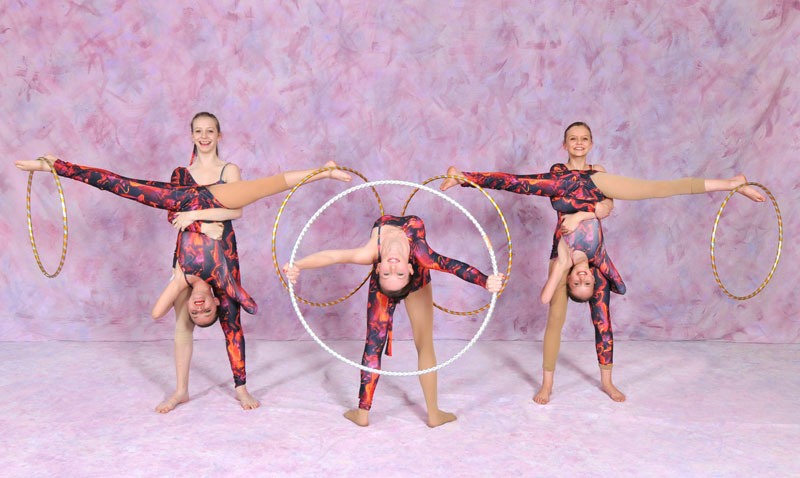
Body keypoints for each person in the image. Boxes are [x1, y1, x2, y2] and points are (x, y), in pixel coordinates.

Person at [440, 123, 765, 403]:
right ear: (565, 145)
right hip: (568, 253)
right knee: (555, 319)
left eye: (584, 138)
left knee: (656, 192)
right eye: (573, 138)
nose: (578, 142)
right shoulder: (556, 178)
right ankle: (547, 383)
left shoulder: (599, 176)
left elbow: (611, 206)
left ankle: (731, 183)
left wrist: (583, 212)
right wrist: (464, 178)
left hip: (594, 247)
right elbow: (512, 181)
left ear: (591, 144)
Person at [15, 153, 351, 405]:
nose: (200, 307)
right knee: (269, 186)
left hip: (182, 199)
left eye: (195, 311)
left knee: (122, 185)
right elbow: (240, 316)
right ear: (216, 302)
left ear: (191, 304)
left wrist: (188, 243)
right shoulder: (225, 282)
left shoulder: (182, 278)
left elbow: (156, 312)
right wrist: (202, 223)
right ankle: (325, 171)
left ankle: (53, 165)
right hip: (217, 199)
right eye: (207, 312)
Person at [283, 214, 504, 427]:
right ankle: (363, 413)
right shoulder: (415, 257)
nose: (392, 269)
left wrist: (298, 265)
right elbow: (454, 266)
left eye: (391, 274)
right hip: (404, 283)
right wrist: (485, 281)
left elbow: (334, 256)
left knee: (423, 343)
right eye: (394, 274)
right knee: (374, 344)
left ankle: (433, 413)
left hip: (417, 281)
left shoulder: (385, 255)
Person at [154, 112, 255, 413]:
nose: (204, 136)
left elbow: (236, 211)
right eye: (198, 131)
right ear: (192, 135)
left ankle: (241, 388)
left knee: (232, 321)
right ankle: (181, 390)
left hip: (224, 255)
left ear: (219, 135)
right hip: (187, 255)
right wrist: (202, 227)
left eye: (210, 130)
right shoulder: (180, 175)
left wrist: (196, 216)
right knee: (183, 322)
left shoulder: (229, 171)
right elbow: (174, 216)